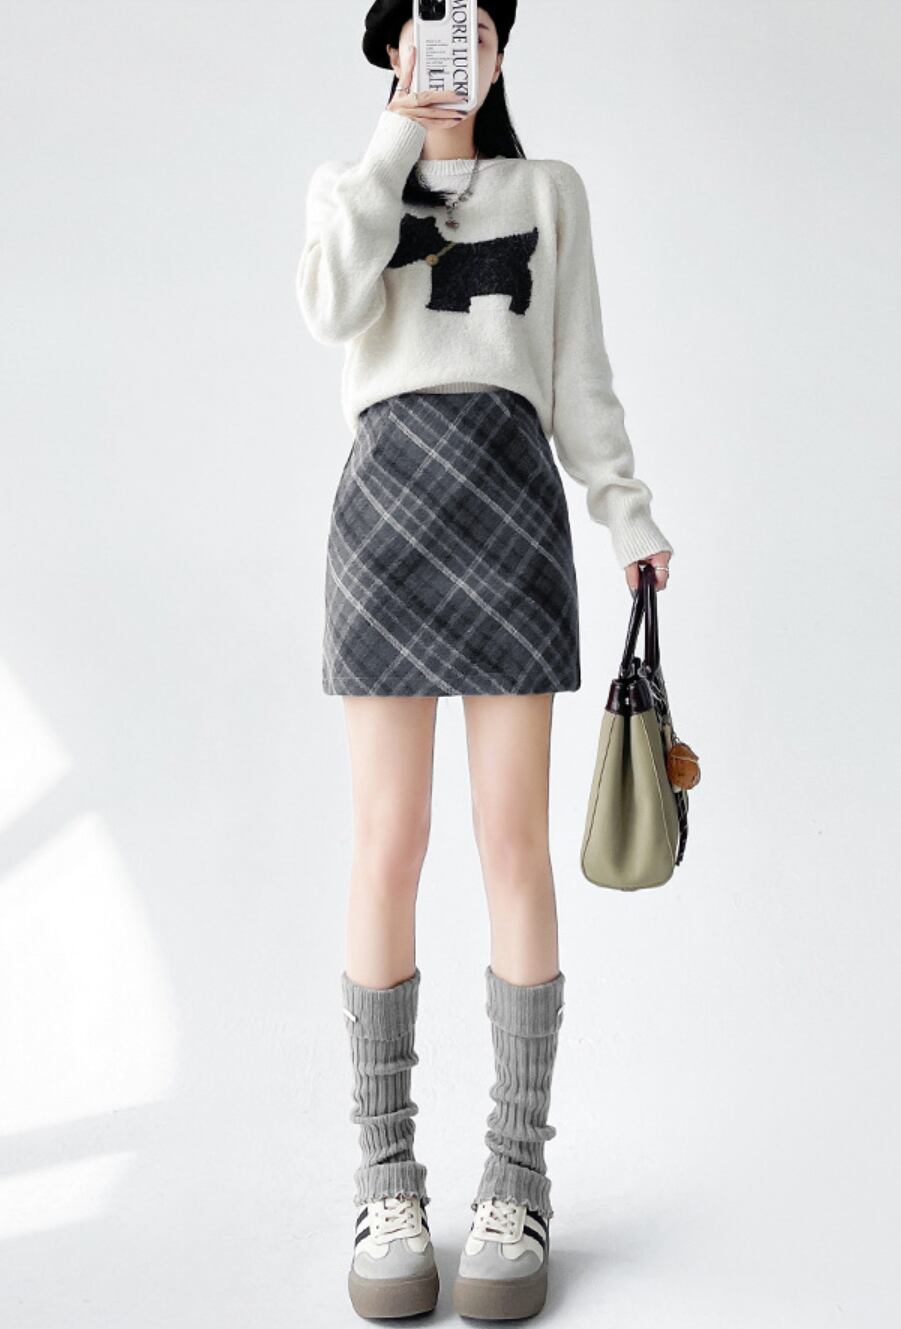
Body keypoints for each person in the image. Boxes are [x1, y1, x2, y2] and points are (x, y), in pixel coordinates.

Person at [295, 1, 674, 1319]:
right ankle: (385, 1181)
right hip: (384, 516)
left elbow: (577, 376)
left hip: (509, 513)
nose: (453, 47)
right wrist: (393, 139)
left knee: (511, 843)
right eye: (428, 25)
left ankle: (516, 1177)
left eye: (473, 25)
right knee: (385, 841)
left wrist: (626, 514)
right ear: (391, 46)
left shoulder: (546, 192)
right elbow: (328, 306)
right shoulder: (351, 186)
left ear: (503, 46)